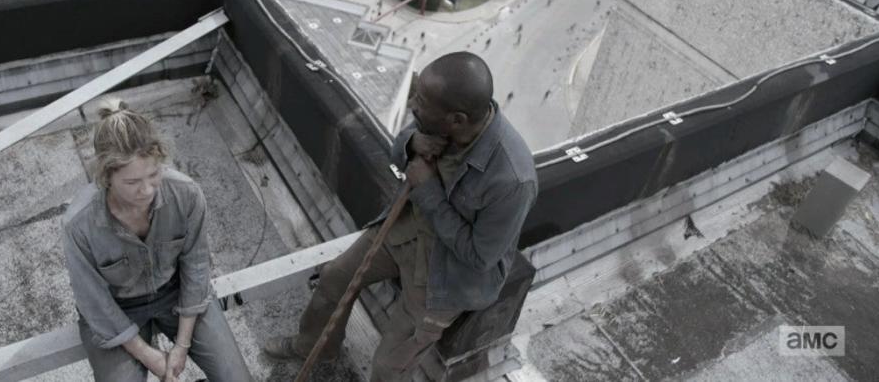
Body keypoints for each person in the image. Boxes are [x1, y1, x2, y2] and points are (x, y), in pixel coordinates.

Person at [263, 52, 538, 381]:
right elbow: (400, 148)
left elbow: (479, 256)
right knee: (335, 278)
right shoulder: (437, 120)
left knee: (388, 366)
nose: (413, 106)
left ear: (457, 119)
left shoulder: (513, 180)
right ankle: (315, 347)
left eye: (421, 102)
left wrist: (428, 191)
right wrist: (412, 144)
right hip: (407, 230)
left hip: (447, 274)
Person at [63, 99, 251, 382]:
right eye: (132, 182)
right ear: (106, 177)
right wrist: (149, 356)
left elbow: (196, 266)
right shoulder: (79, 224)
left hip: (175, 292)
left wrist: (182, 345)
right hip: (117, 308)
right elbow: (94, 302)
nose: (147, 190)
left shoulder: (186, 194)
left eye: (154, 174)